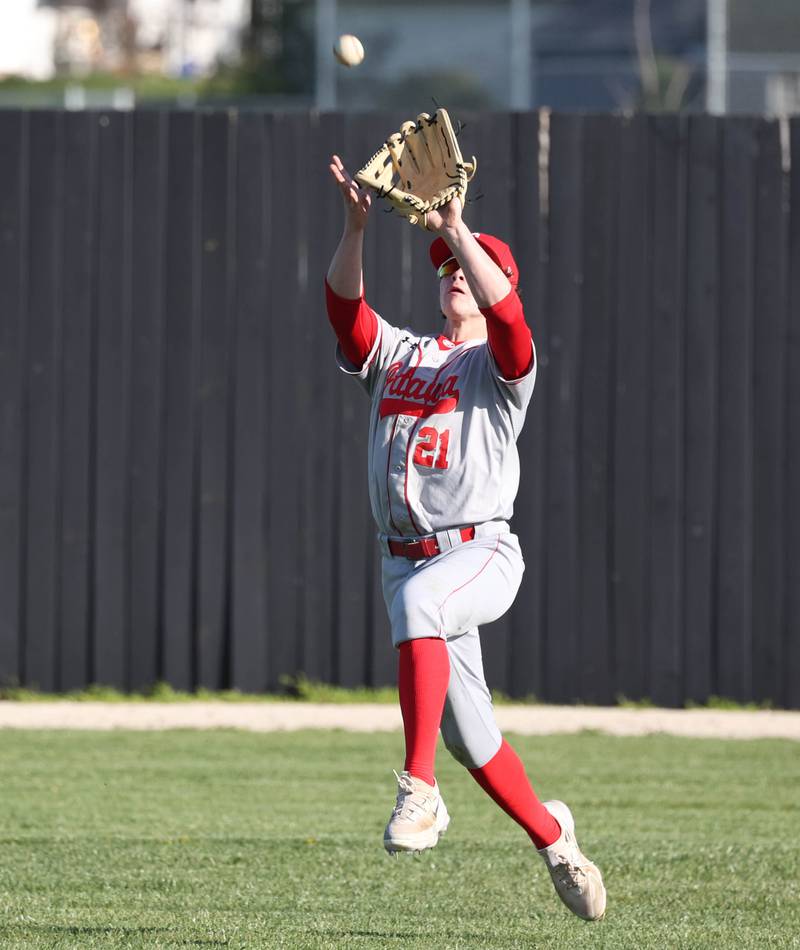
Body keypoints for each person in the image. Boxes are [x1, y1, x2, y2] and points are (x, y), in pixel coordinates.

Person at [324, 153, 606, 922]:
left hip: (477, 553)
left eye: (466, 265)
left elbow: (510, 319)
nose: (452, 270)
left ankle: (419, 792)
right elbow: (347, 316)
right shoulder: (403, 354)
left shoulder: (501, 369)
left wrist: (460, 227)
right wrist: (354, 229)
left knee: (422, 604)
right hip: (406, 563)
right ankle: (557, 841)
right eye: (444, 262)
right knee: (471, 738)